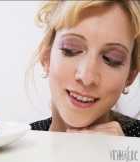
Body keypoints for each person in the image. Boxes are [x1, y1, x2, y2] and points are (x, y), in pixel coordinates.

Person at [26, 0, 140, 137]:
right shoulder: (19, 144)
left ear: (130, 76)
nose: (87, 76)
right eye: (70, 50)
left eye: (111, 59)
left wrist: (124, 156)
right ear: (46, 57)